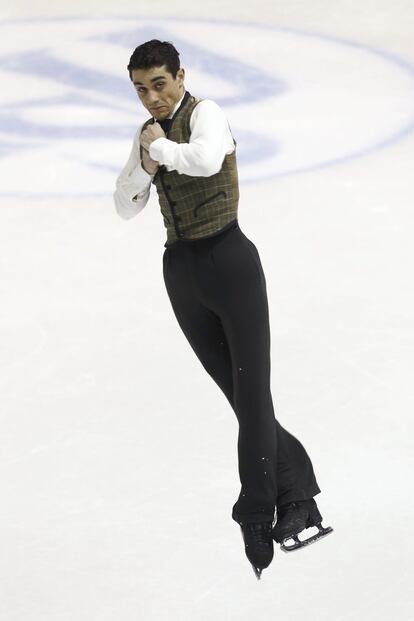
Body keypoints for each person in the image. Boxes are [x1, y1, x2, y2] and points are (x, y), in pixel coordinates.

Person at [113, 39, 333, 579]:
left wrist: (160, 150)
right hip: (181, 274)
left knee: (253, 392)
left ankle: (255, 511)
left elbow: (206, 159)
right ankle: (298, 494)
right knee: (241, 397)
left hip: (231, 263)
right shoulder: (150, 134)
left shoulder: (206, 113)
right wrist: (145, 159)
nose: (152, 98)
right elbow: (125, 204)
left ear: (180, 76)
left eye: (159, 84)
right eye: (141, 89)